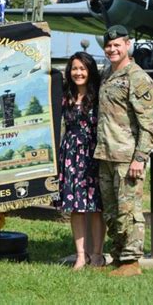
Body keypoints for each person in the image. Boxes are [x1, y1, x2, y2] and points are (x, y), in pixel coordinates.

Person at [94, 25, 153, 276]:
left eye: (116, 45)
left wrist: (139, 158)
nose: (112, 49)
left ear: (127, 45)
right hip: (106, 154)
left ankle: (132, 261)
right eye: (108, 46)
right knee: (112, 212)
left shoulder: (137, 77)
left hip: (127, 157)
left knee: (129, 211)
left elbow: (149, 125)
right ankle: (119, 256)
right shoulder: (107, 74)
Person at [55, 52, 105, 270]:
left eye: (83, 68)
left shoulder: (99, 95)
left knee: (95, 207)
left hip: (93, 153)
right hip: (70, 154)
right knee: (76, 207)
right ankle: (80, 256)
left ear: (90, 71)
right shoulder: (64, 95)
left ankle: (97, 254)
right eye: (75, 68)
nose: (78, 72)